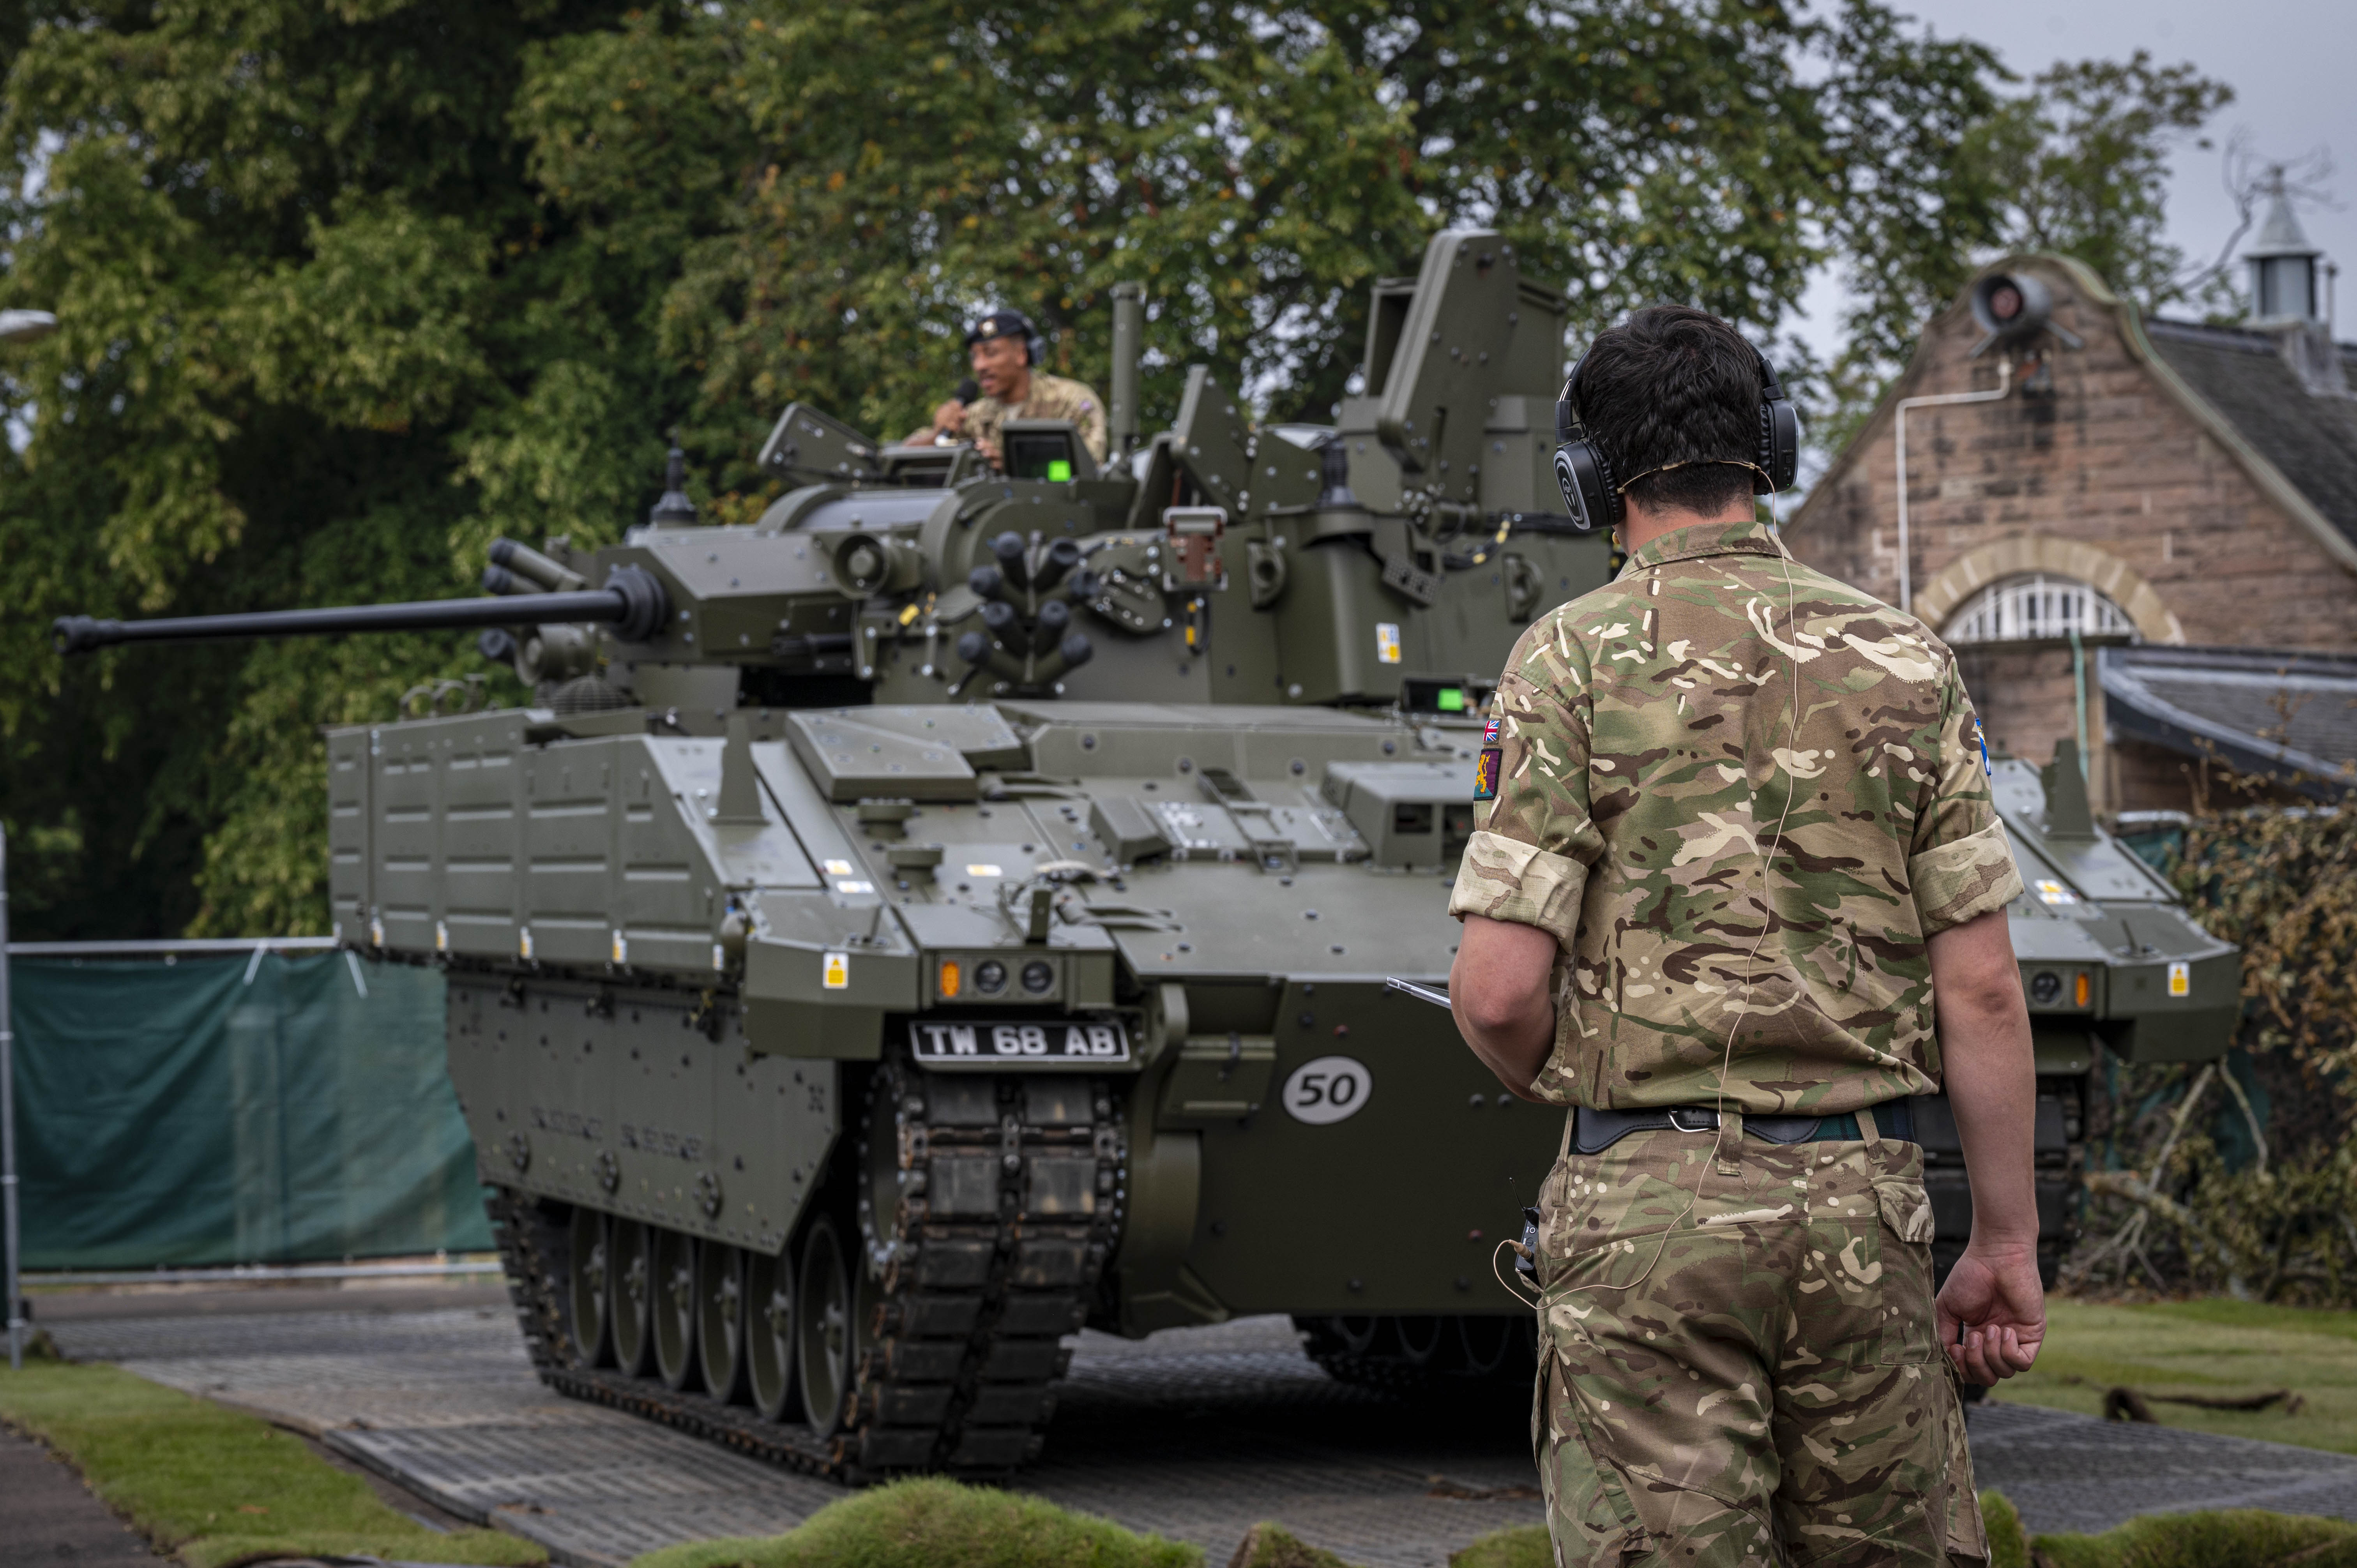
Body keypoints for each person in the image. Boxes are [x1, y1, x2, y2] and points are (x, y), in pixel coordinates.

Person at [1447, 304, 2042, 1566]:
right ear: (1770, 447)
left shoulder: (1566, 661)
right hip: (1861, 1205)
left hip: (1645, 1207)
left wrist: (1601, 1100)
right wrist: (2003, 1241)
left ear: (1587, 476)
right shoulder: (1903, 657)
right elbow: (1984, 989)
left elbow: (1497, 992)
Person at [908, 309, 1108, 470]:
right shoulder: (976, 415)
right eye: (974, 357)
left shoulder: (1071, 400)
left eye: (990, 353)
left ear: (1022, 354)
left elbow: (1090, 468)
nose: (979, 366)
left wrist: (1012, 467)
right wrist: (937, 433)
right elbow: (905, 456)